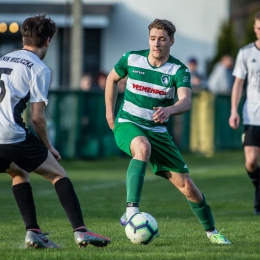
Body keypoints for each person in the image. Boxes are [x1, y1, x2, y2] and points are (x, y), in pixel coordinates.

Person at [105, 18, 231, 244]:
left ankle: (212, 233)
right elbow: (111, 79)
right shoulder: (131, 58)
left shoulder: (178, 70)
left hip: (158, 132)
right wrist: (109, 114)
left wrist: (169, 110)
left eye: (162, 39)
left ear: (171, 41)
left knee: (188, 187)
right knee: (142, 147)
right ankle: (131, 211)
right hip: (129, 124)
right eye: (153, 39)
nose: (156, 44)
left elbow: (186, 101)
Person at [0, 14, 110, 249]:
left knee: (18, 172)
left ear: (23, 37)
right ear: (48, 41)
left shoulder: (3, 59)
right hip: (12, 135)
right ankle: (80, 231)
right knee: (58, 174)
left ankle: (33, 232)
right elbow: (37, 118)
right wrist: (48, 147)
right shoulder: (39, 68)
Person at [229, 11, 260, 215]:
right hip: (252, 115)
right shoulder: (246, 53)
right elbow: (238, 84)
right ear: (255, 28)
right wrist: (234, 110)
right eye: (259, 27)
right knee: (250, 161)